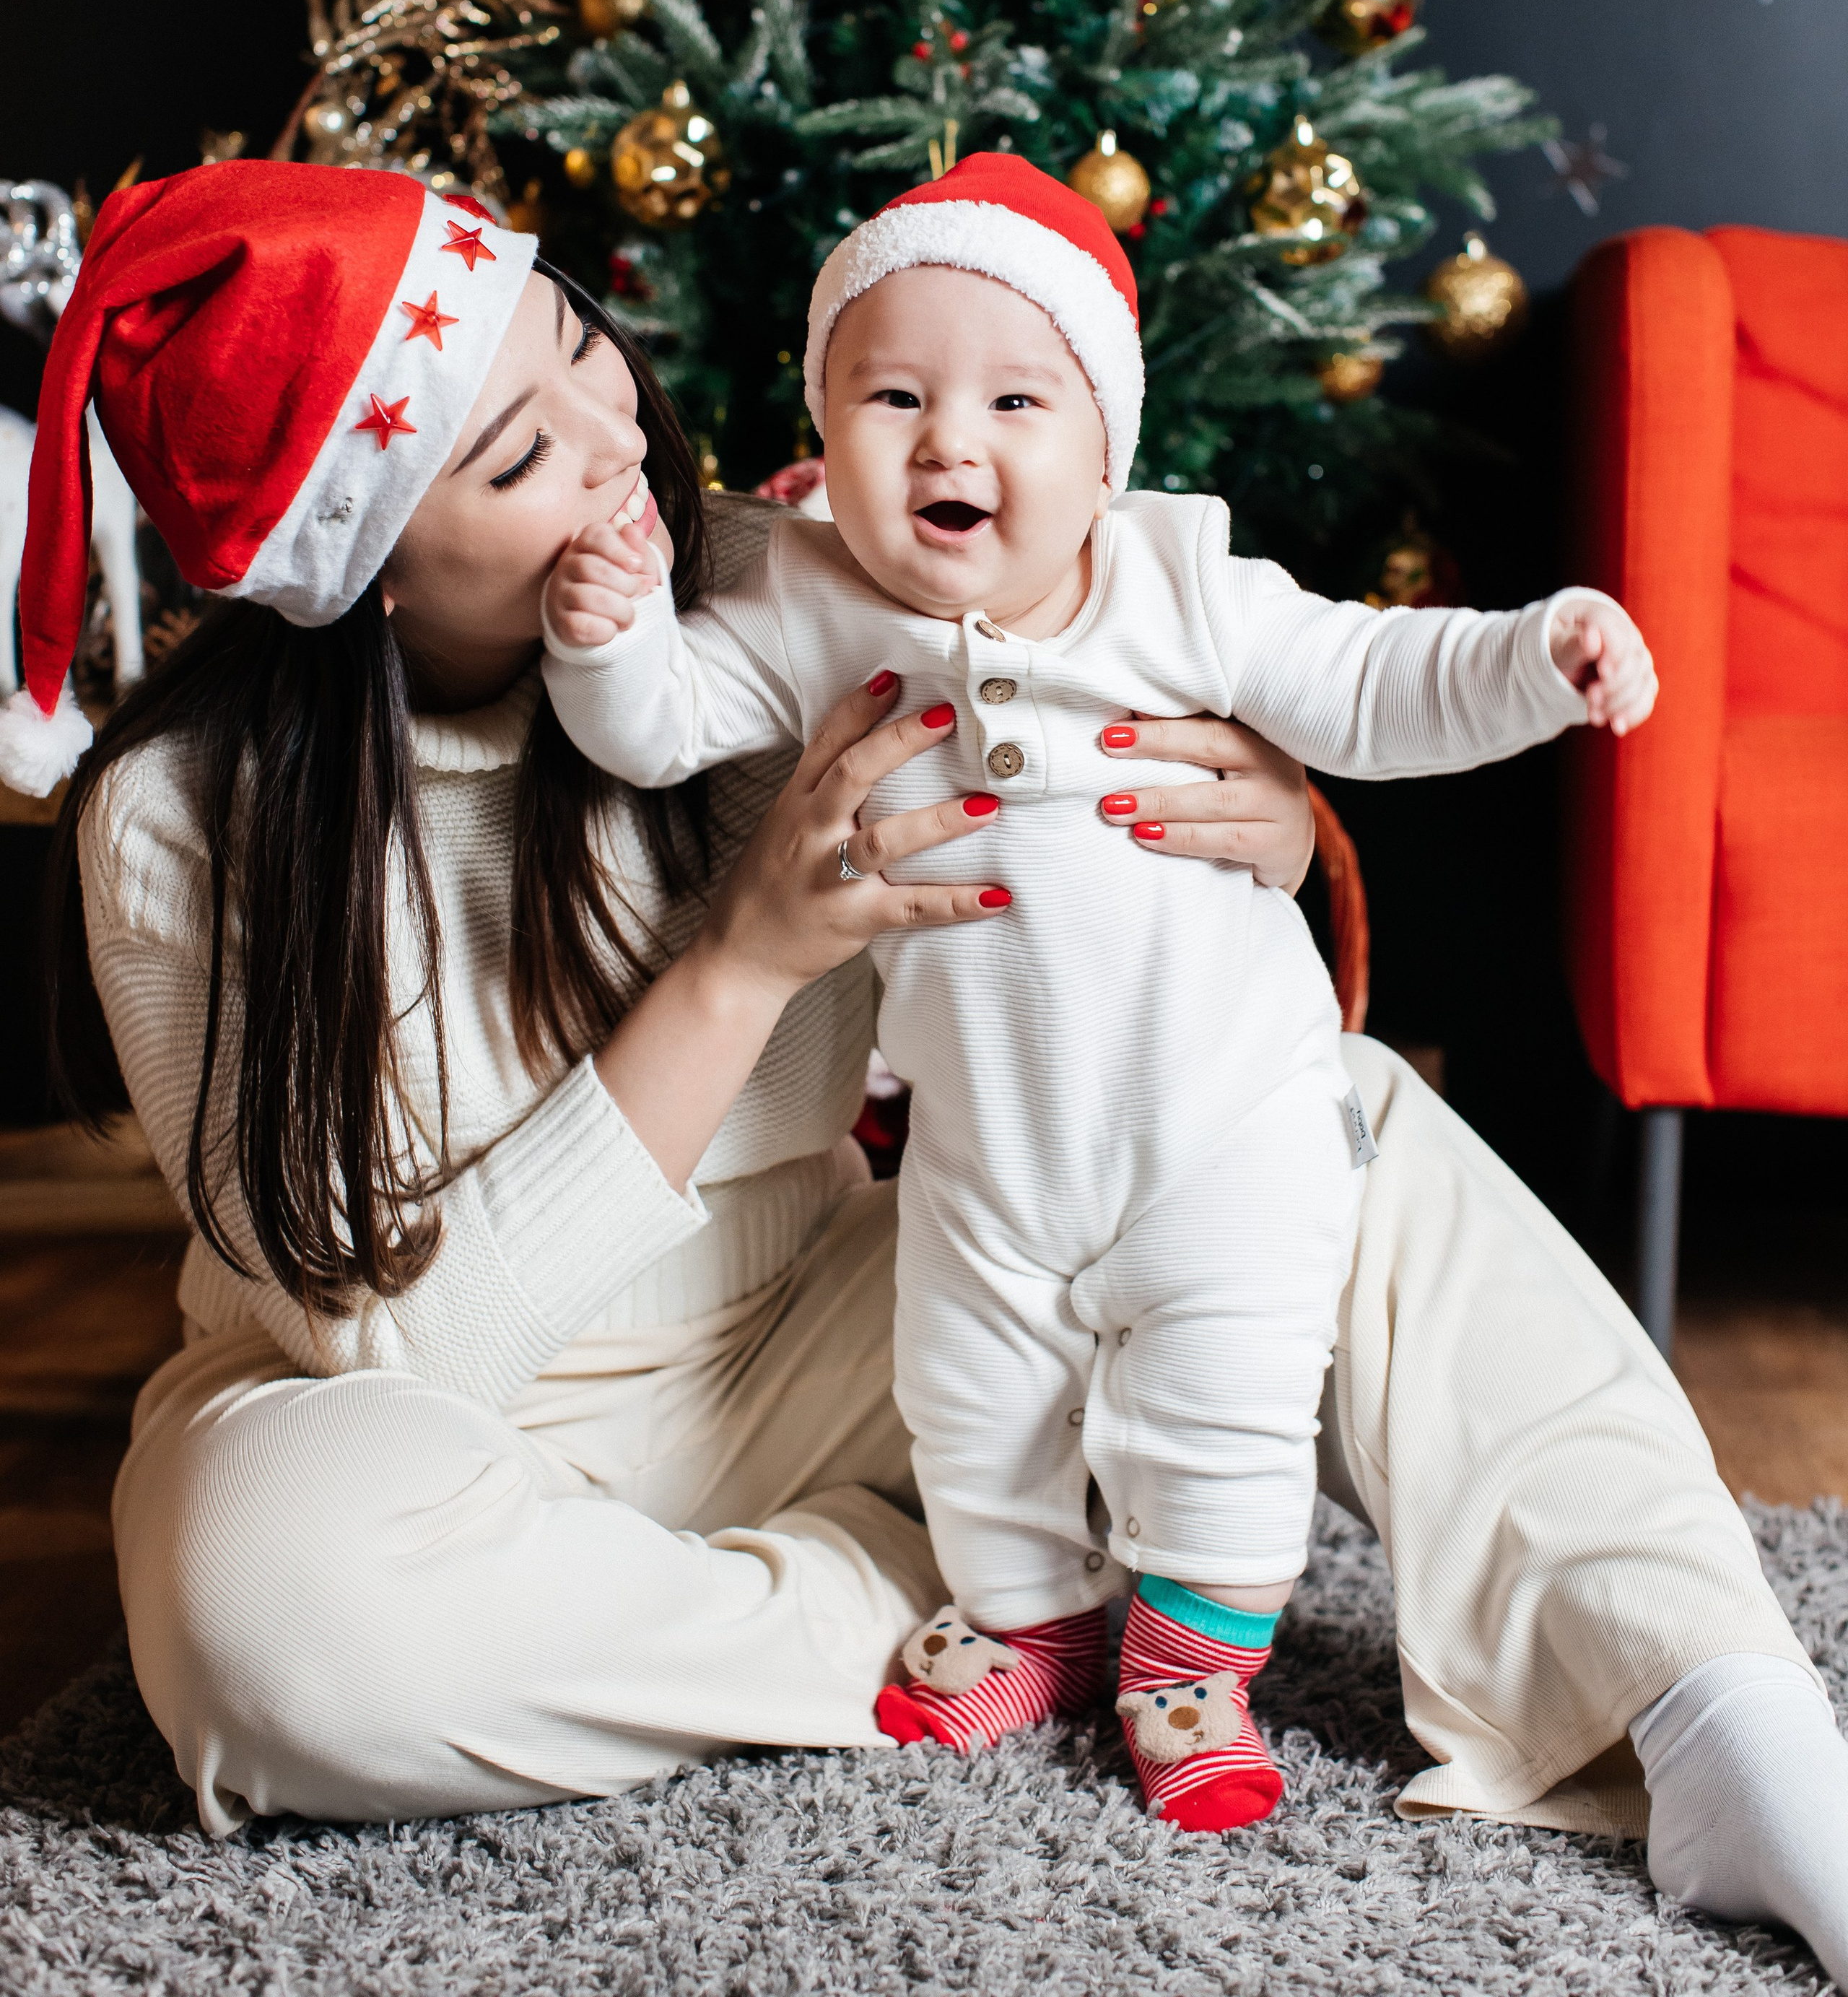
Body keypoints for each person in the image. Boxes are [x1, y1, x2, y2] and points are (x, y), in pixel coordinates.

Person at [6, 162, 1844, 1978]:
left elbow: (1129, 788)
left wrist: (1275, 825)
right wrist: (740, 963)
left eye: (577, 344)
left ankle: (1714, 1711)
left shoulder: (783, 577)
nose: (614, 442)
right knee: (256, 1619)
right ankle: (968, 1610)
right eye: (514, 456)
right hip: (433, 1429)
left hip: (830, 1335)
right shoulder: (185, 819)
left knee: (1324, 1126)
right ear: (363, 569)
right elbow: (390, 1344)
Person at [536, 153, 1657, 1831]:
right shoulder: (801, 596)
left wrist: (1534, 658)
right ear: (823, 426)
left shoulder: (1175, 583)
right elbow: (656, 726)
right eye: (891, 394)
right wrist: (608, 633)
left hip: (1222, 1122)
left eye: (1011, 401)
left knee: (1224, 1412)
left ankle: (1190, 1669)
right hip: (985, 1149)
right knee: (966, 1398)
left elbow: (1369, 679)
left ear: (1102, 447)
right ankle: (1030, 1623)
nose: (946, 442)